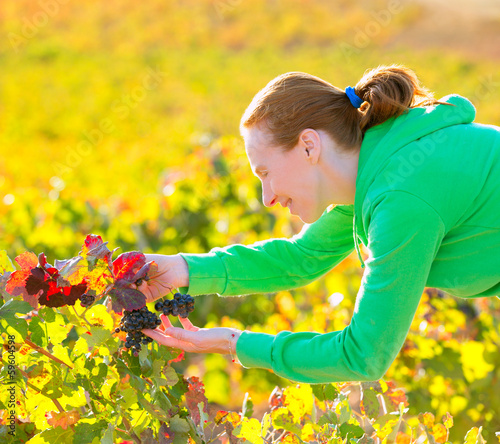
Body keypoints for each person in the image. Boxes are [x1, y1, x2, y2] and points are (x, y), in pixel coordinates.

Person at [141, 64, 500, 384]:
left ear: (309, 146)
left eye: (265, 173)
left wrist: (235, 343)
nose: (266, 197)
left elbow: (363, 356)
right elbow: (301, 258)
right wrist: (182, 270)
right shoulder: (378, 170)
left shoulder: (400, 196)